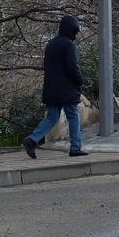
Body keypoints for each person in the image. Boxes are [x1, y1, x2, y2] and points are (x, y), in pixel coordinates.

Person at [22, 15, 87, 158]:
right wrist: (79, 81)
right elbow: (72, 67)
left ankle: (32, 139)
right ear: (72, 30)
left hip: (50, 87)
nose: (76, 36)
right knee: (73, 115)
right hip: (66, 89)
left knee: (52, 116)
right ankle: (75, 147)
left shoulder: (51, 44)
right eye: (75, 32)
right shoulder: (69, 45)